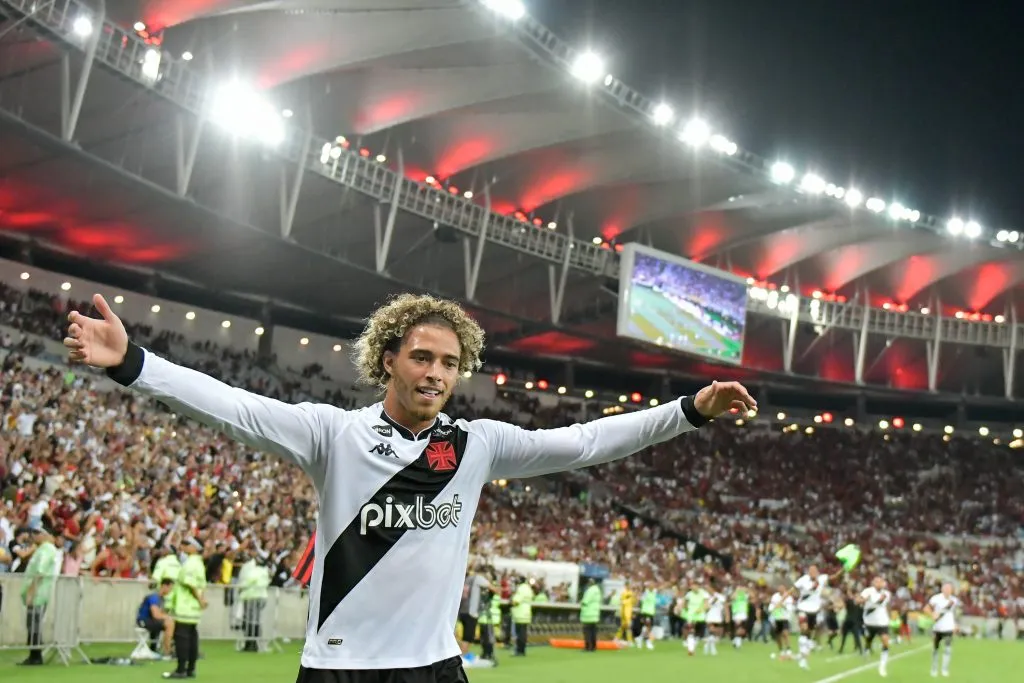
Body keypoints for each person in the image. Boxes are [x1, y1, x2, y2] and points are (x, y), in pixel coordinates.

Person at [64, 292, 755, 683]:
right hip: (340, 670)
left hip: (435, 667)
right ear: (388, 358)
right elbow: (235, 406)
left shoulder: (478, 445)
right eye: (422, 356)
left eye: (450, 362)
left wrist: (688, 411)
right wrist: (133, 363)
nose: (436, 372)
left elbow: (586, 442)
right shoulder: (333, 434)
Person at [925, 582, 960, 678]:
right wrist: (932, 614)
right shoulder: (935, 598)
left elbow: (956, 613)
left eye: (949, 589)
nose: (948, 591)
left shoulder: (954, 600)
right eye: (946, 589)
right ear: (942, 589)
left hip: (949, 627)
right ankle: (934, 669)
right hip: (937, 627)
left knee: (948, 649)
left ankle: (945, 670)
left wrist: (956, 624)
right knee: (935, 649)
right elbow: (926, 608)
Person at [137, 578, 175, 656]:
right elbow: (156, 615)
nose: (171, 591)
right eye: (170, 588)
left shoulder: (162, 599)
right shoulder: (154, 597)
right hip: (143, 621)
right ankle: (167, 652)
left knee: (173, 623)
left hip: (151, 620)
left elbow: (161, 614)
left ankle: (169, 648)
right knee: (169, 624)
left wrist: (168, 616)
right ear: (164, 586)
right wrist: (168, 617)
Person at [579, 578, 602, 652]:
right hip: (594, 614)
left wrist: (581, 602)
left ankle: (588, 647)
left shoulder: (590, 590)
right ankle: (593, 646)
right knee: (593, 631)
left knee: (587, 632)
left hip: (588, 614)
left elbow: (585, 601)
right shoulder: (597, 590)